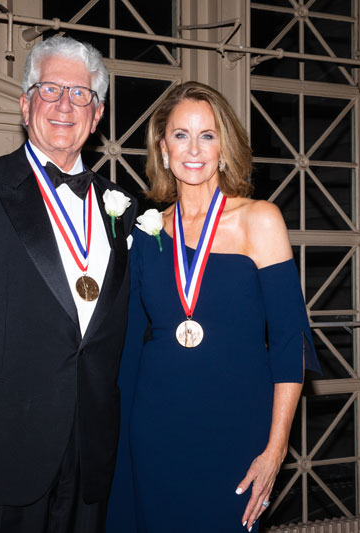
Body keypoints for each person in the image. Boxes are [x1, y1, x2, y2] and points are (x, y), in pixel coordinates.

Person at [0, 35, 137, 533]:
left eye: (80, 95)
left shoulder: (124, 205)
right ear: (24, 102)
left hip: (91, 454)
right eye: (50, 89)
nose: (64, 105)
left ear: (97, 115)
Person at [106, 81, 321, 532]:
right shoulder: (147, 233)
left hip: (236, 428)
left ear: (224, 146)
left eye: (207, 134)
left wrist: (276, 448)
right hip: (156, 424)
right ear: (163, 148)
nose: (194, 148)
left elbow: (289, 341)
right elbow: (125, 343)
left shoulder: (259, 220)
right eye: (181, 134)